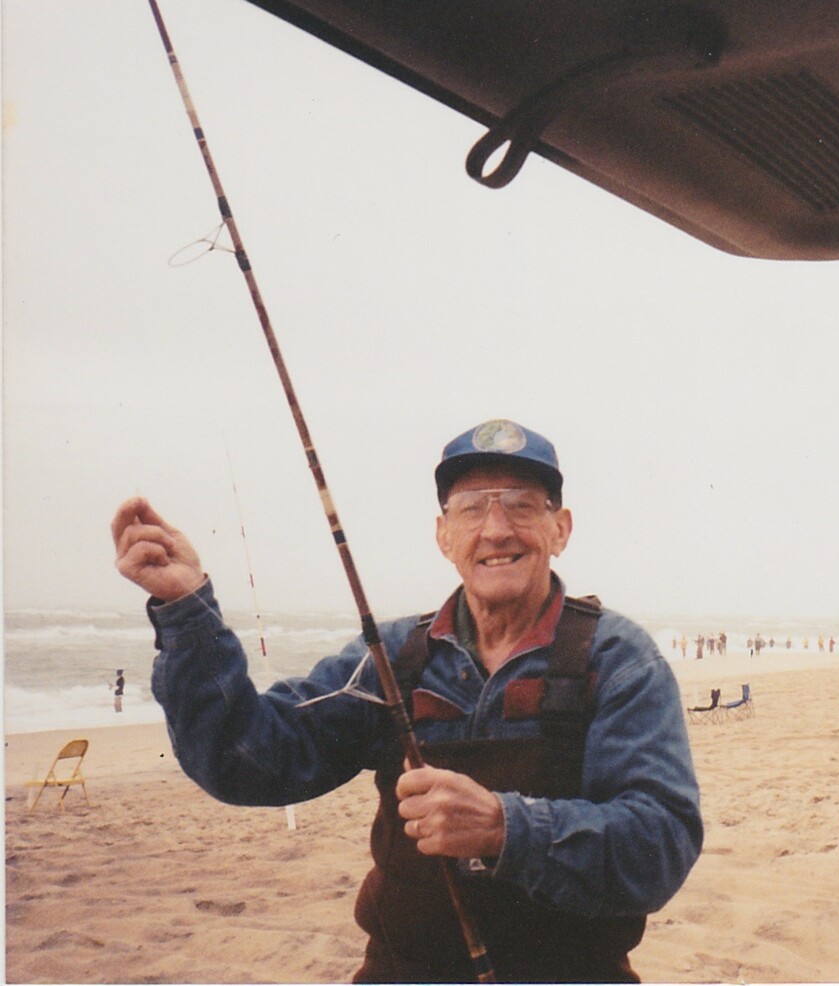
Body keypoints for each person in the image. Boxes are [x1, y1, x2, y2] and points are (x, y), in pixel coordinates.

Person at [111, 418, 702, 983]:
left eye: (521, 504)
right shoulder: (392, 656)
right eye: (471, 508)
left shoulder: (619, 659)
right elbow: (250, 760)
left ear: (561, 528)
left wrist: (505, 828)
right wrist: (188, 611)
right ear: (444, 535)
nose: (496, 529)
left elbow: (661, 845)